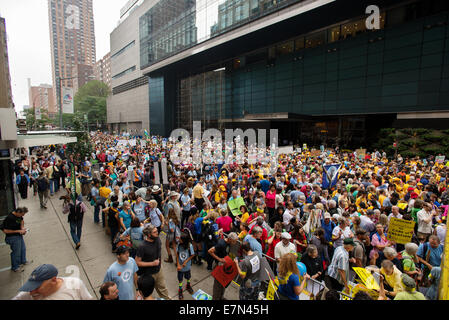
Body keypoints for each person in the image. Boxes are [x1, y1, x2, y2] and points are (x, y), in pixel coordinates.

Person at [12, 264, 93, 300]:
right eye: (30, 287)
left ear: (54, 280)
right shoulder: (27, 295)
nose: (32, 292)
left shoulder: (75, 284)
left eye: (37, 287)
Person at [135, 225, 171, 300]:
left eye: (157, 231)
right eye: (154, 232)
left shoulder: (157, 239)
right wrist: (152, 263)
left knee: (163, 289)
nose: (157, 233)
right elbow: (137, 262)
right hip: (149, 274)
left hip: (159, 270)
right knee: (148, 294)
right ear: (149, 235)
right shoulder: (142, 246)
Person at [208, 232, 238, 300]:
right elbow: (210, 251)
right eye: (234, 241)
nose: (235, 243)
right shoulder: (221, 244)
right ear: (230, 239)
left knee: (223, 283)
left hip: (224, 267)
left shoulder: (229, 244)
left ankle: (221, 297)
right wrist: (219, 259)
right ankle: (215, 298)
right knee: (217, 285)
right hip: (218, 266)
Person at [1, 207, 31, 272]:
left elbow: (21, 220)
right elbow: (5, 230)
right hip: (13, 238)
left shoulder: (18, 216)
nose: (22, 216)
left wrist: (22, 228)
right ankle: (15, 267)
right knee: (16, 253)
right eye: (22, 214)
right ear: (18, 212)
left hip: (18, 236)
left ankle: (23, 261)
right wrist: (18, 231)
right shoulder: (9, 218)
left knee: (23, 249)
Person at [175, 230, 195, 300]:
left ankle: (188, 285)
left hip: (187, 267)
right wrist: (178, 264)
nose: (179, 239)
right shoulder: (179, 245)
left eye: (180, 239)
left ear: (184, 240)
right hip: (180, 267)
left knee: (188, 277)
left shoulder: (190, 246)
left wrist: (186, 261)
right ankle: (180, 289)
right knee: (180, 279)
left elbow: (192, 255)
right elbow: (177, 254)